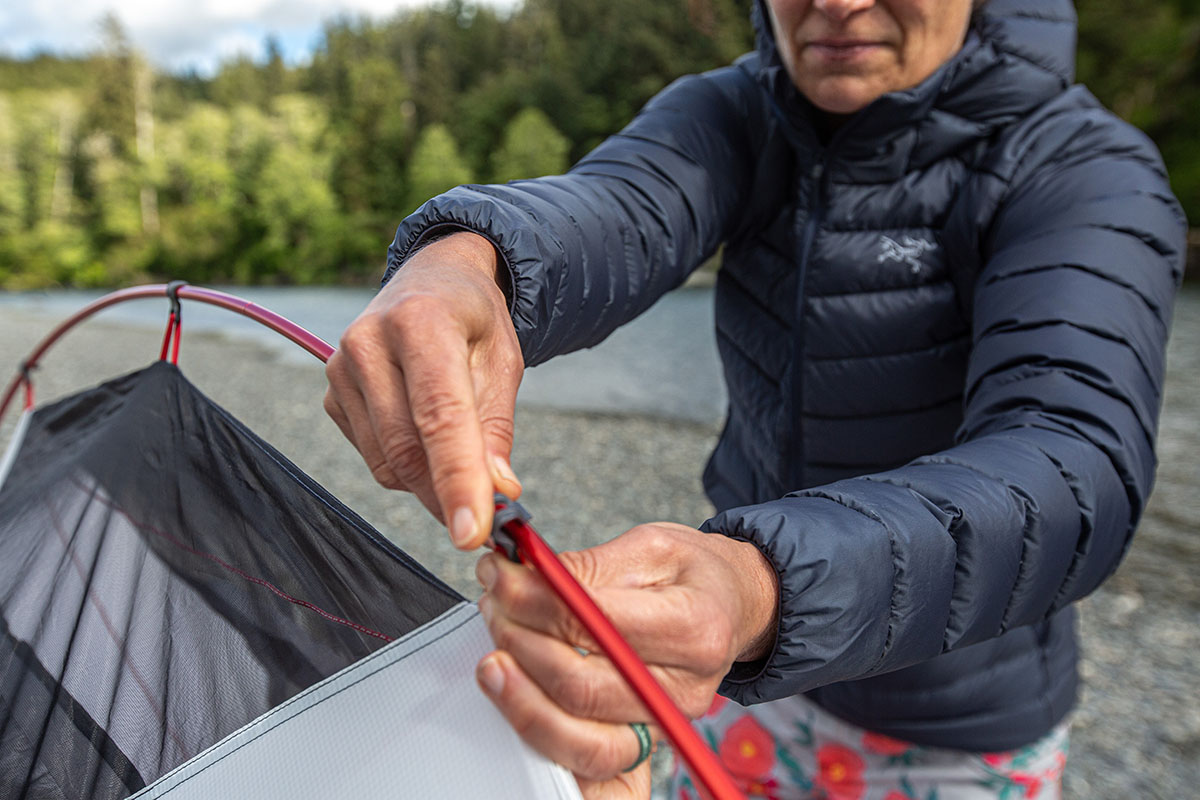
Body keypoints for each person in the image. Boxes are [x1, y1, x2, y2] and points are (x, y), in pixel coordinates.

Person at [323, 0, 1186, 797]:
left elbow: (1074, 465)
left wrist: (760, 585)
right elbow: (615, 208)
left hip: (952, 730)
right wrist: (468, 261)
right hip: (743, 680)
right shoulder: (735, 112)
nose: (836, 3)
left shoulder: (1086, 168)